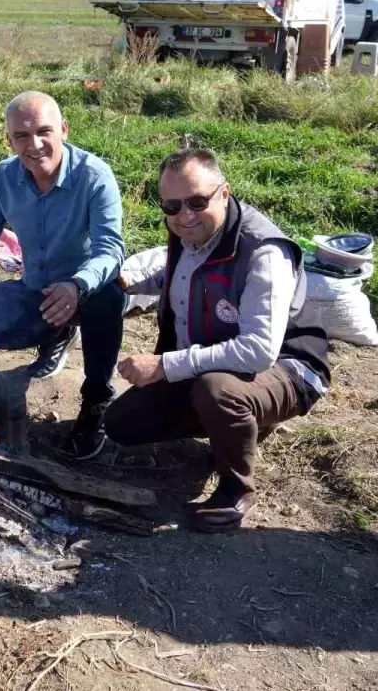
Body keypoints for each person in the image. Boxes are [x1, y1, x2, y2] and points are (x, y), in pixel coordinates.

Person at [105, 148, 330, 532]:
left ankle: (236, 489)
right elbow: (174, 272)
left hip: (287, 367)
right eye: (172, 206)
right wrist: (125, 281)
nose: (185, 215)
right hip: (216, 357)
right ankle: (238, 424)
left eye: (197, 201)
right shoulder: (187, 231)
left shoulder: (263, 252)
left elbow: (258, 351)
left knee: (218, 390)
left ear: (223, 193)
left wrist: (164, 365)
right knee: (122, 424)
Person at [0, 91, 126, 460]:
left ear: (63, 130)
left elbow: (110, 249)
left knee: (109, 300)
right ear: (9, 139)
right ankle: (49, 342)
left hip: (86, 288)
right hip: (35, 290)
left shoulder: (94, 177)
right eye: (21, 136)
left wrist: (77, 286)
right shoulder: (3, 177)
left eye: (44, 132)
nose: (34, 145)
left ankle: (96, 401)